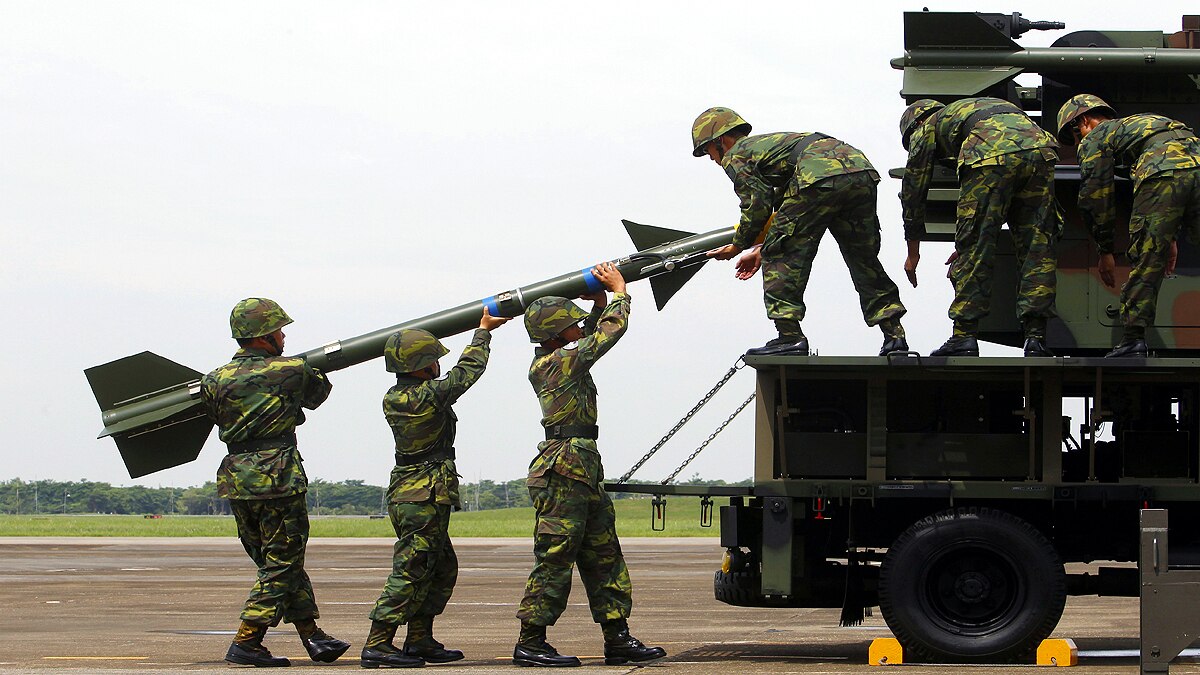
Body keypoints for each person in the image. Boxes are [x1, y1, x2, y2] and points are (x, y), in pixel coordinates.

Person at [513, 262, 666, 668]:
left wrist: (597, 303)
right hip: (564, 467)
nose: (580, 328)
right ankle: (530, 640)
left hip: (582, 466)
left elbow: (589, 338)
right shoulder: (554, 364)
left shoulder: (561, 357)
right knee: (556, 556)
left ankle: (617, 637)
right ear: (553, 334)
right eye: (572, 324)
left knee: (604, 554)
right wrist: (619, 293)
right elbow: (604, 337)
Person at [200, 297, 350, 668]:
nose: (284, 336)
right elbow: (319, 396)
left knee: (276, 562)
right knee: (282, 563)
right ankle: (247, 641)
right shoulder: (293, 369)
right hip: (279, 476)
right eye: (279, 330)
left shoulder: (213, 379)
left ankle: (312, 636)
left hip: (238, 479)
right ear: (265, 335)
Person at [695, 106, 909, 357]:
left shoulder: (737, 155)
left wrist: (737, 246)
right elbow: (791, 212)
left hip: (818, 177)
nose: (711, 158)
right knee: (863, 259)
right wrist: (761, 247)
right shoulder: (773, 147)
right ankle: (895, 337)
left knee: (781, 255)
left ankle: (789, 337)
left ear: (721, 140)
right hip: (859, 171)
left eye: (707, 150)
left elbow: (756, 207)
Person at [361, 309, 509, 668]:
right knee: (413, 566)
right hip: (419, 494)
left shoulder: (404, 395)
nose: (439, 365)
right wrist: (483, 333)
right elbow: (465, 374)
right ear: (421, 365)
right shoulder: (416, 397)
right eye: (433, 360)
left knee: (440, 567)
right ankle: (378, 642)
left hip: (422, 491)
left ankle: (419, 639)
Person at [899, 97, 1060, 358]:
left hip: (988, 153)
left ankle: (964, 336)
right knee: (1037, 248)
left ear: (915, 122)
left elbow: (913, 191)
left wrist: (913, 251)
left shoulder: (926, 125)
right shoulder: (974, 109)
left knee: (974, 250)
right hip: (1041, 150)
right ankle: (1036, 338)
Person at [1055, 94, 1200, 357]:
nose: (1079, 144)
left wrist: (1105, 249)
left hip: (1161, 173)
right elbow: (1183, 170)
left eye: (1076, 138)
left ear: (1083, 121)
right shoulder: (1146, 122)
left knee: (1146, 258)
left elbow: (1096, 194)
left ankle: (1133, 339)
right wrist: (1170, 237)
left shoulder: (1097, 136)